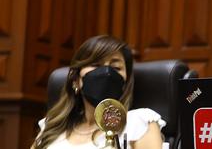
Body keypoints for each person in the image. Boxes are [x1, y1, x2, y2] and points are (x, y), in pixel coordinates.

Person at [31, 35, 165, 149]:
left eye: (116, 67)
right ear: (76, 79)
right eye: (95, 65)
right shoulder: (51, 127)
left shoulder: (138, 122)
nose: (107, 73)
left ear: (125, 82)